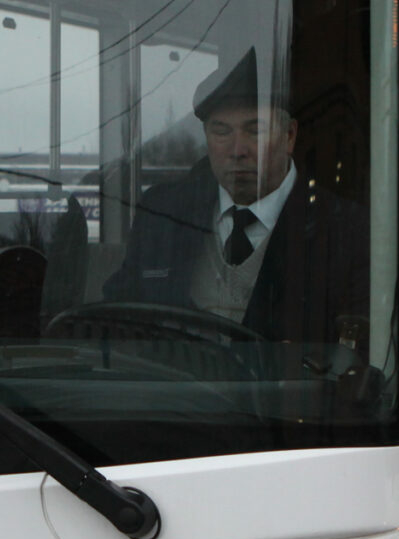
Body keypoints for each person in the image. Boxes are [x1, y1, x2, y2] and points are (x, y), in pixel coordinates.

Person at [101, 49, 367, 347]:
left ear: (290, 135)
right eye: (221, 132)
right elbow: (117, 322)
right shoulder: (161, 214)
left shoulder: (347, 231)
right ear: (205, 136)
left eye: (256, 131)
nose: (238, 149)